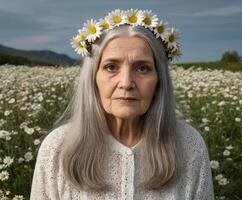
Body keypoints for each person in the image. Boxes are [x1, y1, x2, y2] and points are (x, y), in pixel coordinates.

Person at [30, 8, 214, 200]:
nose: (126, 83)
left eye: (142, 68)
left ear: (159, 80)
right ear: (93, 78)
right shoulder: (57, 148)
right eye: (111, 67)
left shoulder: (189, 145)